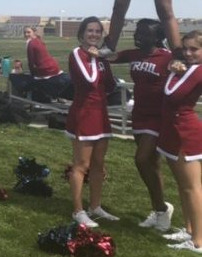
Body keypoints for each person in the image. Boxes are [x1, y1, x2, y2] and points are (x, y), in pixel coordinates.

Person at [106, 19, 174, 231]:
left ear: (156, 37)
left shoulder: (168, 57)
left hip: (158, 116)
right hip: (139, 115)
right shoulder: (133, 54)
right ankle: (160, 210)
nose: (137, 36)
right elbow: (108, 56)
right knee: (152, 164)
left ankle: (161, 207)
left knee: (141, 159)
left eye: (143, 33)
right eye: (137, 31)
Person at [66, 16, 118, 227]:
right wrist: (95, 57)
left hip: (101, 114)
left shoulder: (100, 57)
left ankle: (95, 206)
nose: (94, 35)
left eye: (98, 31)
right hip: (84, 114)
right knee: (81, 165)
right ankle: (78, 211)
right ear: (82, 34)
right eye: (90, 31)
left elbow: (111, 84)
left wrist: (100, 58)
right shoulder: (78, 54)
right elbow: (90, 80)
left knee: (98, 165)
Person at [158, 30, 202, 253]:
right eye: (185, 48)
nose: (188, 53)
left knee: (193, 187)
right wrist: (173, 67)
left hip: (187, 133)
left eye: (194, 49)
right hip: (171, 132)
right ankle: (189, 229)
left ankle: (198, 241)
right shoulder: (182, 67)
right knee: (183, 187)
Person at [17, 26, 71, 102]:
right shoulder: (39, 40)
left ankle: (40, 98)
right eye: (25, 32)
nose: (26, 34)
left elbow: (31, 61)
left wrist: (32, 74)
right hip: (54, 66)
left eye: (28, 32)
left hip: (45, 69)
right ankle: (58, 96)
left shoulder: (30, 43)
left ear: (34, 32)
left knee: (33, 82)